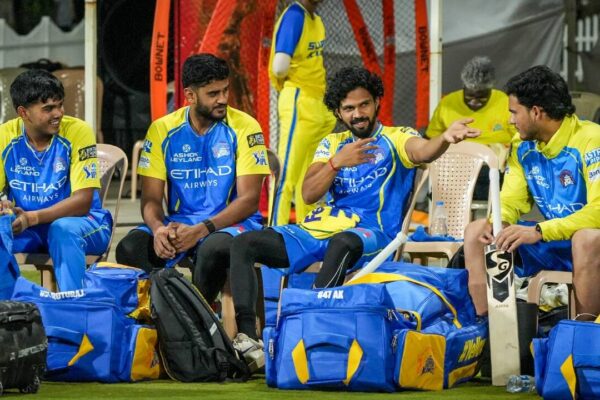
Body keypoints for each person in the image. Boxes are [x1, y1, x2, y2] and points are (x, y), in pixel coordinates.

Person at [227, 67, 481, 367]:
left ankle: (311, 327)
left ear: (377, 102)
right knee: (244, 244)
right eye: (349, 108)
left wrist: (445, 138)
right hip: (319, 229)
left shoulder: (397, 137)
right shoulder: (331, 144)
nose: (358, 114)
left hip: (372, 234)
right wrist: (336, 162)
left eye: (364, 105)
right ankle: (249, 340)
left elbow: (423, 151)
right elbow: (308, 194)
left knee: (343, 243)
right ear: (338, 112)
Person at [115, 54, 270, 310]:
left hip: (231, 224)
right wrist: (159, 230)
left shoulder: (245, 127)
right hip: (180, 223)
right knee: (130, 248)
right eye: (213, 93)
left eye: (225, 90)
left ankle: (196, 316)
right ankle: (172, 313)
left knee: (214, 249)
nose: (223, 99)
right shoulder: (162, 129)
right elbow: (151, 198)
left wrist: (201, 230)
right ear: (190, 95)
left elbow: (249, 200)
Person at [464, 65, 600, 320]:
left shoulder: (592, 139)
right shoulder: (522, 145)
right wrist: (499, 222)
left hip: (589, 244)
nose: (510, 120)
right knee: (477, 232)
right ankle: (487, 327)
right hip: (555, 239)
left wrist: (539, 231)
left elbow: (598, 211)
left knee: (585, 239)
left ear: (536, 112)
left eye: (514, 112)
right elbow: (510, 199)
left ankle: (584, 334)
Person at [0, 69, 112, 291]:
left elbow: (82, 202)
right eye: (48, 108)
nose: (58, 113)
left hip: (84, 223)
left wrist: (31, 218)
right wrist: (5, 208)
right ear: (23, 112)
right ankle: (10, 306)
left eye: (60, 105)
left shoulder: (78, 131)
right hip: (30, 227)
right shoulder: (5, 135)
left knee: (62, 230)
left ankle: (73, 307)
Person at [268, 0, 336, 225]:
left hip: (317, 102)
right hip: (299, 100)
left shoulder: (316, 20)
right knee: (286, 173)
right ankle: (274, 233)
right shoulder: (294, 16)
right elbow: (279, 66)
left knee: (309, 175)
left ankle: (306, 230)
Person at [426, 56, 516, 199]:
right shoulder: (448, 103)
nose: (474, 102)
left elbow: (518, 139)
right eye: (469, 96)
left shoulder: (504, 102)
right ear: (464, 87)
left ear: (490, 90)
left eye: (481, 97)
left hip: (492, 168)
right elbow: (431, 138)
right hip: (454, 167)